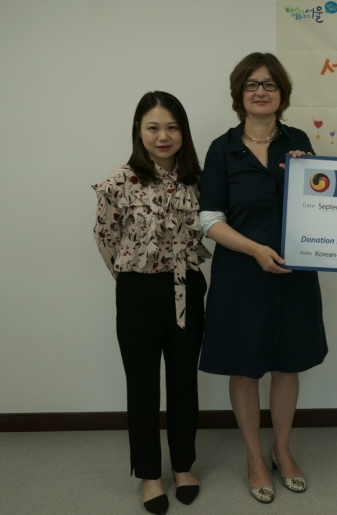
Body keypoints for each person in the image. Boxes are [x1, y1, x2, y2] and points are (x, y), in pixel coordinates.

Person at [198, 53, 328, 504]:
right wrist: (254, 249)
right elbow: (209, 220)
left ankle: (282, 450)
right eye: (251, 84)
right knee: (245, 367)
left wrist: (307, 176)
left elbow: (322, 207)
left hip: (294, 273)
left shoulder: (298, 141)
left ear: (281, 94)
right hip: (240, 274)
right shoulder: (222, 148)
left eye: (269, 84)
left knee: (288, 364)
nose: (260, 91)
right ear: (239, 93)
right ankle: (254, 456)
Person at [93, 92, 211, 515]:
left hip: (187, 289)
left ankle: (183, 466)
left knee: (183, 382)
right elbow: (106, 238)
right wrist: (134, 275)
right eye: (153, 127)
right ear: (139, 131)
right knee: (142, 386)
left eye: (172, 127)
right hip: (138, 292)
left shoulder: (199, 179)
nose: (163, 136)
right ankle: (149, 475)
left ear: (183, 132)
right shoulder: (119, 182)